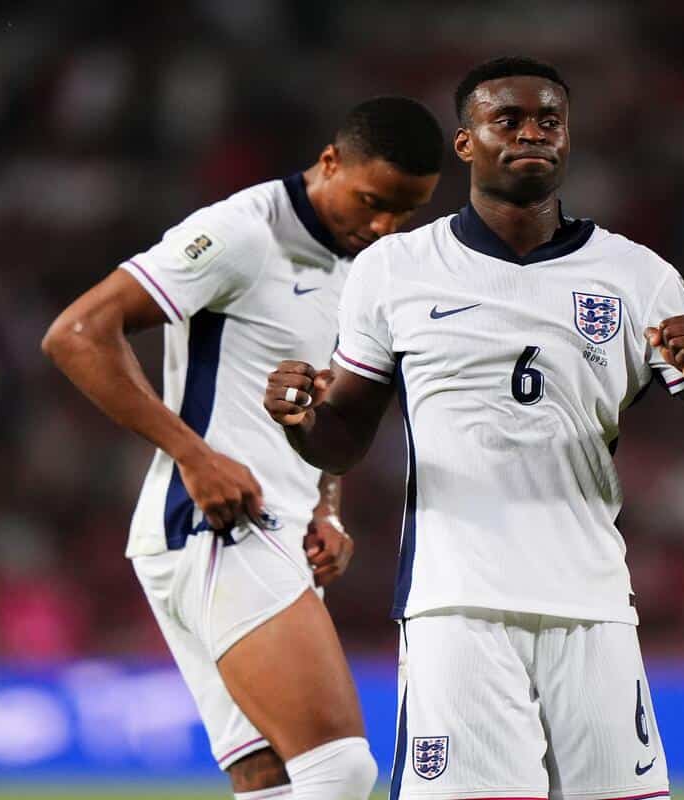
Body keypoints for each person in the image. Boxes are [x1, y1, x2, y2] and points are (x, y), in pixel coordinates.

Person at [263, 57, 684, 800]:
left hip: (592, 603)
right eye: (508, 120)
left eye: (549, 121)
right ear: (466, 143)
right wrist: (302, 419)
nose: (532, 133)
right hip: (455, 604)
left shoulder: (637, 275)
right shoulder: (395, 268)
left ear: (568, 138)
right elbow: (342, 437)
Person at [42, 97, 443, 800]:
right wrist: (194, 456)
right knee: (340, 769)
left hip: (268, 530)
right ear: (330, 163)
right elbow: (77, 334)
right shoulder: (242, 232)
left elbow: (323, 400)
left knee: (271, 781)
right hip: (221, 526)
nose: (384, 226)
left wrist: (328, 505)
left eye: (405, 213)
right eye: (373, 202)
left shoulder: (367, 266)